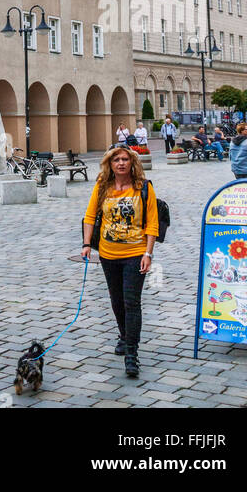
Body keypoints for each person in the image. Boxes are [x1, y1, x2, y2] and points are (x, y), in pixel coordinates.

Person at [82, 145, 158, 379]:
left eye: (125, 159)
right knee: (116, 300)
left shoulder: (143, 188)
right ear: (110, 164)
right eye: (117, 160)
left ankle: (131, 354)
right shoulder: (102, 187)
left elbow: (152, 223)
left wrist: (148, 254)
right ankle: (124, 336)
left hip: (135, 252)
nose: (121, 163)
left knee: (131, 302)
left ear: (132, 163)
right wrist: (86, 244)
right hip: (108, 254)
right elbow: (90, 216)